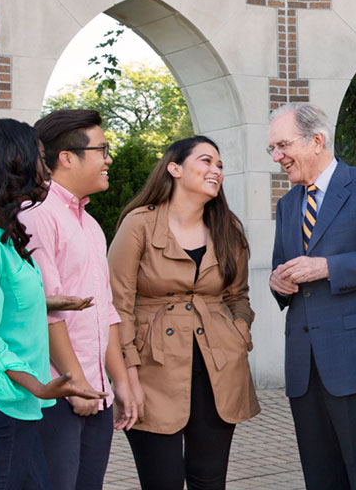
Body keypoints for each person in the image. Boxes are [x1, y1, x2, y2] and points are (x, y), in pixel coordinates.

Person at [0, 119, 106, 490]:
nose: (44, 166)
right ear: (10, 163)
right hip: (1, 402)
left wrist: (39, 301)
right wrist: (41, 387)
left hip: (16, 401)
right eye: (37, 156)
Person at [268, 102, 356, 489]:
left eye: (282, 145)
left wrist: (329, 267)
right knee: (320, 479)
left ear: (317, 141)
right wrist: (278, 284)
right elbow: (285, 269)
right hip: (304, 373)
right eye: (272, 149)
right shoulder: (286, 205)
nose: (277, 157)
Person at [108, 135, 259, 490]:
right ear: (174, 168)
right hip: (151, 370)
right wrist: (126, 376)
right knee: (162, 482)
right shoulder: (139, 224)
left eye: (220, 165)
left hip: (218, 369)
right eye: (206, 161)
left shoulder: (228, 228)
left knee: (210, 480)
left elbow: (238, 296)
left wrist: (240, 332)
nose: (215, 170)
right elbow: (118, 305)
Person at [20, 109, 138, 490]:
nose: (109, 159)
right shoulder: (36, 215)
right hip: (57, 394)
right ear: (66, 157)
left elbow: (105, 310)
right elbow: (47, 308)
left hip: (94, 392)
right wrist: (76, 382)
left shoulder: (89, 224)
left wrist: (119, 382)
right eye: (101, 149)